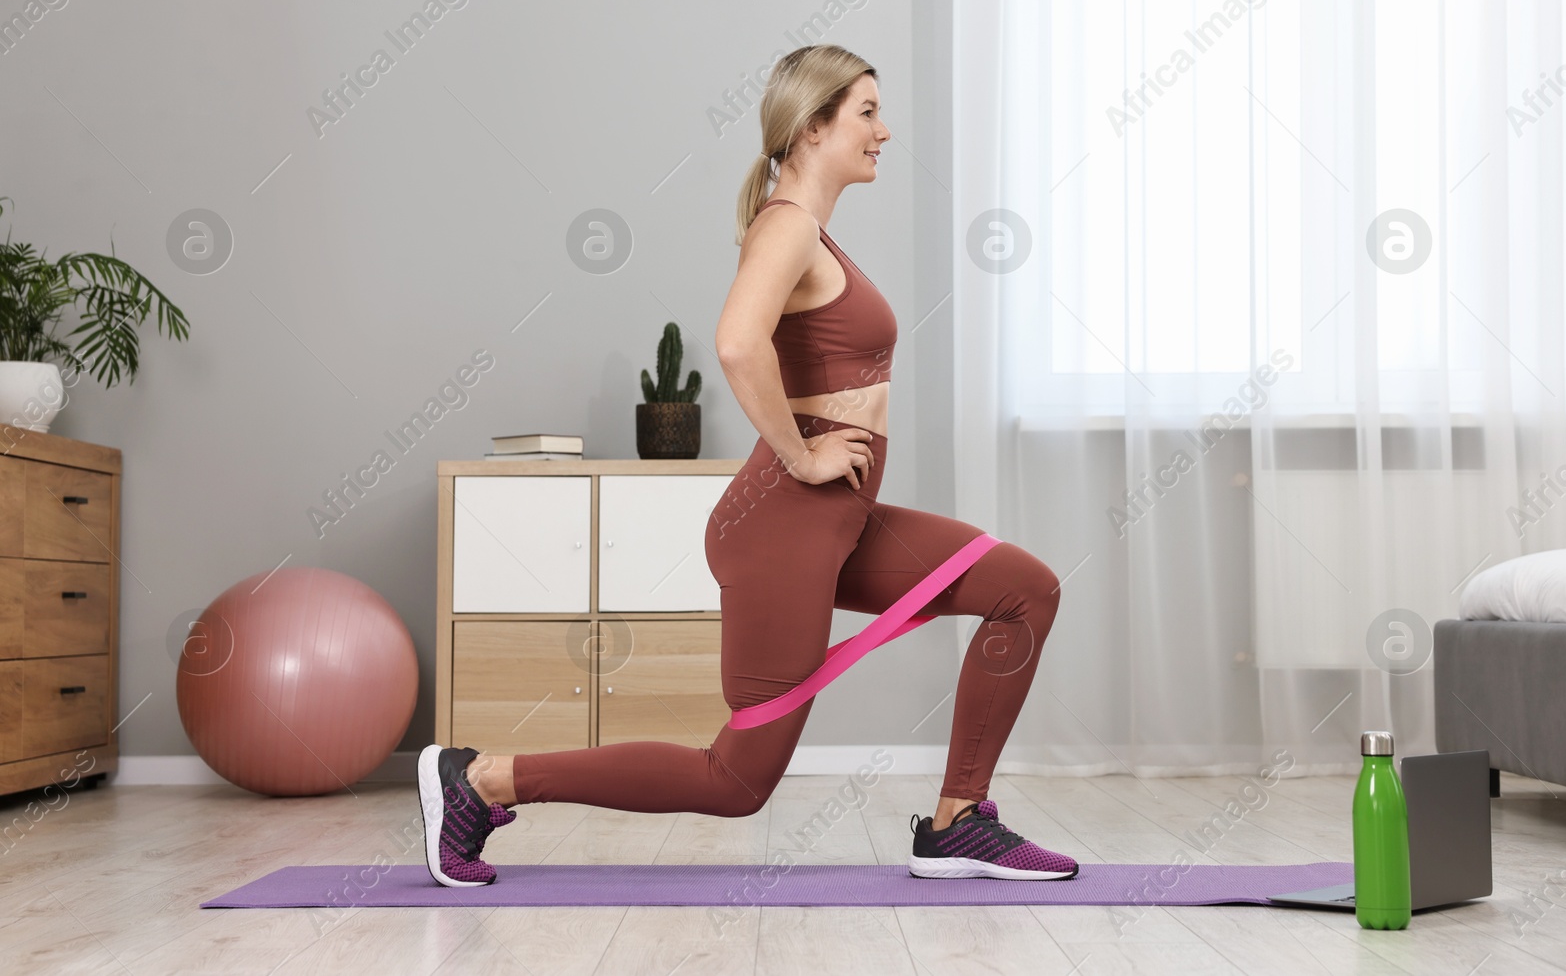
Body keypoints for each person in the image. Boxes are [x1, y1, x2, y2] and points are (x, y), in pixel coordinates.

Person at [417, 43, 1074, 887]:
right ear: (812, 127)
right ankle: (477, 779)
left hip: (833, 522)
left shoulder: (809, 227)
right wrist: (801, 456)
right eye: (867, 112)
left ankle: (958, 823)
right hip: (783, 528)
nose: (885, 131)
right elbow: (736, 341)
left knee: (1023, 588)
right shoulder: (788, 224)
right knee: (735, 780)